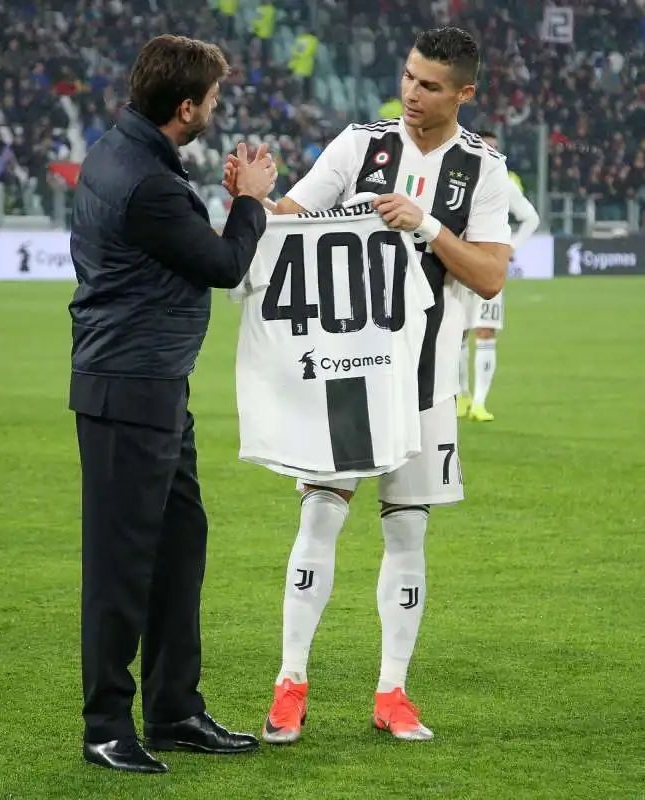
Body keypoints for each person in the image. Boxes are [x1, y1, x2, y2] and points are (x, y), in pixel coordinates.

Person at [224, 27, 511, 743]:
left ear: (464, 93)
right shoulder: (359, 146)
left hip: (425, 383)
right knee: (319, 516)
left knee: (407, 533)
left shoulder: (482, 170)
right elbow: (290, 219)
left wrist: (427, 225)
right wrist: (251, 204)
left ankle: (393, 692)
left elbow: (489, 274)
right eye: (409, 78)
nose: (412, 95)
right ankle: (289, 683)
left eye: (430, 85)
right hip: (348, 377)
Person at [68, 34, 275, 774]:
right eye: (212, 99)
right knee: (122, 565)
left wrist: (222, 196)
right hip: (130, 388)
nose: (217, 108)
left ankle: (174, 708)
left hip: (149, 386)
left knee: (179, 546)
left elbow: (173, 236)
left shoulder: (124, 150)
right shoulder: (146, 180)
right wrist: (249, 201)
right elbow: (222, 264)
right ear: (185, 107)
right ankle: (105, 726)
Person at [457, 130, 541, 421]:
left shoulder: (504, 183)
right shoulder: (456, 176)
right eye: (485, 146)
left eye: (494, 148)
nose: (489, 152)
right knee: (457, 332)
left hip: (490, 265)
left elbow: (531, 217)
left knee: (485, 330)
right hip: (457, 266)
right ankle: (461, 395)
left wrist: (511, 248)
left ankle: (479, 402)